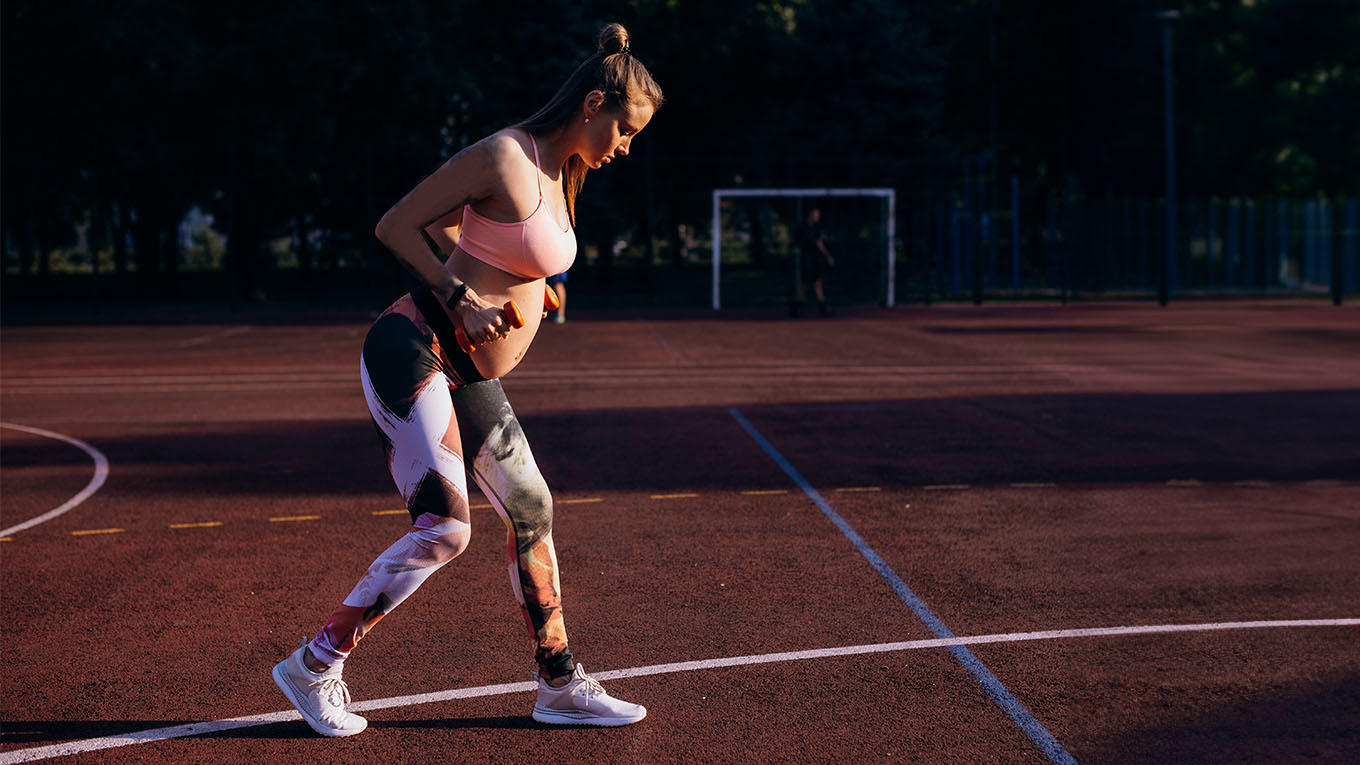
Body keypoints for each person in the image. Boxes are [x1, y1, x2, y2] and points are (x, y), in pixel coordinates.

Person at [272, 23, 661, 737]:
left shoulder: (561, 171)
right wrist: (461, 296)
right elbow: (398, 224)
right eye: (626, 130)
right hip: (412, 349)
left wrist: (534, 287)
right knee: (446, 529)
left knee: (531, 506)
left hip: (466, 368)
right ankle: (313, 663)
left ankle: (558, 684)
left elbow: (479, 237)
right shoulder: (504, 155)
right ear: (593, 105)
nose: (626, 147)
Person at [790, 207, 835, 318]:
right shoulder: (803, 228)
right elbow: (793, 240)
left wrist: (828, 255)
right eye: (815, 214)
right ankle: (798, 308)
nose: (817, 217)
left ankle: (797, 308)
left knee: (815, 284)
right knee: (808, 284)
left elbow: (819, 243)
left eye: (818, 215)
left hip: (814, 258)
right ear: (810, 215)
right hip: (807, 259)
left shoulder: (816, 229)